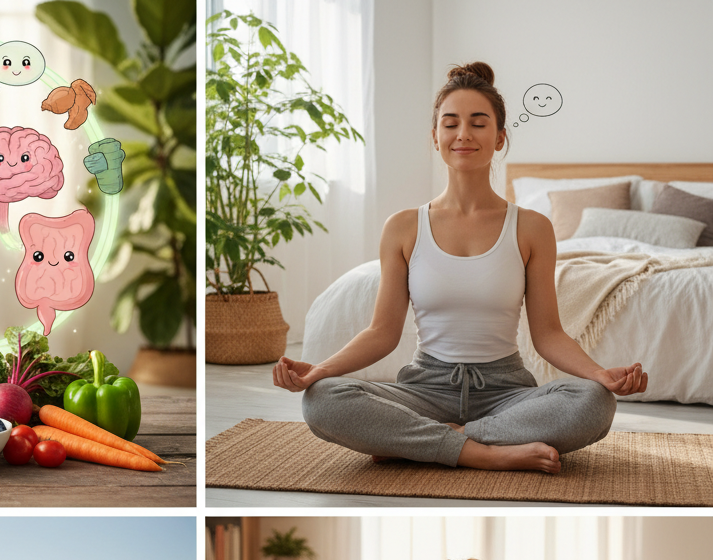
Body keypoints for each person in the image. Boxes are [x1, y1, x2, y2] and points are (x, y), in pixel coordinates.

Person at [272, 62, 647, 475]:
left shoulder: (532, 228)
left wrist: (600, 375)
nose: (463, 134)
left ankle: (425, 441)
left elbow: (548, 334)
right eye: (450, 124)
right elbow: (382, 332)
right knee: (323, 399)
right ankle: (486, 452)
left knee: (593, 403)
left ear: (500, 137)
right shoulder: (402, 227)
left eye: (478, 123)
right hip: (425, 388)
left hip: (506, 392)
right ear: (435, 137)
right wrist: (319, 371)